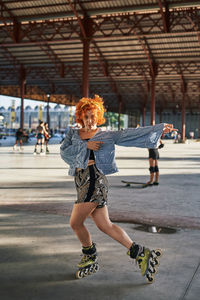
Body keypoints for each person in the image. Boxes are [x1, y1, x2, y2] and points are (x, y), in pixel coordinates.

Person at [60, 95, 175, 282]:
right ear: (81, 117)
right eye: (86, 116)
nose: (89, 120)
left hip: (94, 181)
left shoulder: (106, 135)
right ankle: (141, 253)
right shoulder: (73, 134)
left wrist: (159, 129)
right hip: (80, 182)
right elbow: (64, 153)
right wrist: (85, 146)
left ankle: (90, 256)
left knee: (75, 223)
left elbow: (130, 135)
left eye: (92, 116)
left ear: (98, 116)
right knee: (105, 225)